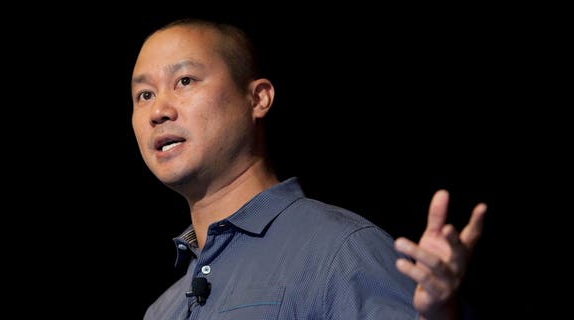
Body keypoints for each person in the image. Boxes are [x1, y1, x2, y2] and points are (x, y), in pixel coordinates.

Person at [130, 18, 486, 319]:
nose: (158, 110)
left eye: (185, 81)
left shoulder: (341, 251)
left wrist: (440, 314)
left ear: (258, 98)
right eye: (144, 95)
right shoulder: (163, 310)